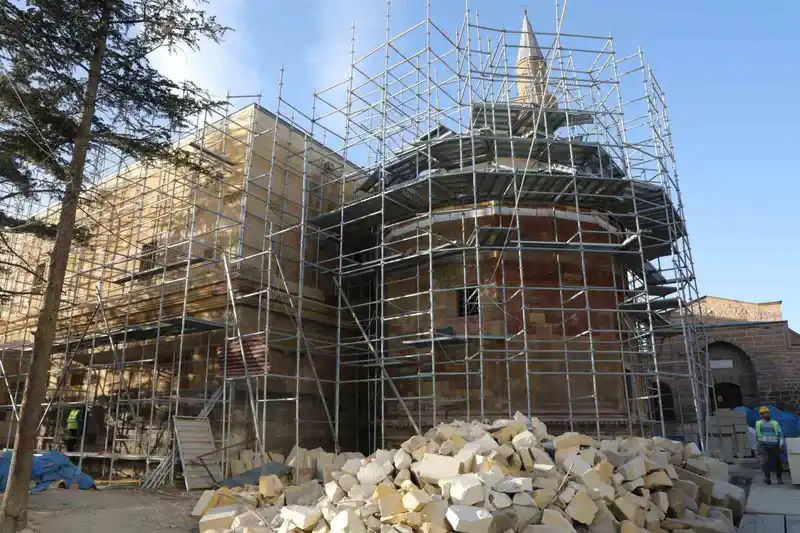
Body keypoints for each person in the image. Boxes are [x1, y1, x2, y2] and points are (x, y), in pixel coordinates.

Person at [755, 406, 784, 484]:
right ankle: (767, 478)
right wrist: (758, 447)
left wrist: (781, 444)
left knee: (778, 461)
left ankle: (779, 478)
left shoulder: (775, 423)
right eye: (765, 413)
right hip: (764, 445)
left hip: (775, 445)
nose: (767, 414)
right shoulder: (758, 423)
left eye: (768, 413)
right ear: (761, 415)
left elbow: (781, 434)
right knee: (765, 462)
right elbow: (758, 435)